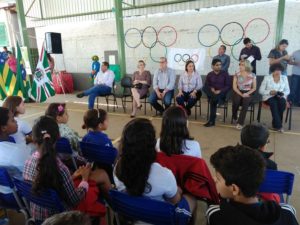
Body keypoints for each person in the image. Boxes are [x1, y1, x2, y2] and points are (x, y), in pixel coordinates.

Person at [23, 116, 111, 222]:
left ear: (34, 138)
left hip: (38, 217)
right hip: (61, 219)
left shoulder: (28, 162)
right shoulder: (61, 168)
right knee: (95, 197)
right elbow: (74, 200)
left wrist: (72, 176)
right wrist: (84, 180)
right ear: (58, 136)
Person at [114, 118, 196, 224]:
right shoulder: (163, 174)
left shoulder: (118, 168)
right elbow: (175, 201)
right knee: (192, 198)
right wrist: (178, 190)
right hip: (158, 220)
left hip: (131, 217)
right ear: (152, 145)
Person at [206, 145, 299, 225]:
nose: (214, 179)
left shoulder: (216, 215)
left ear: (234, 189)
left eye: (218, 179)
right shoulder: (287, 213)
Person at [259, 63, 290, 133]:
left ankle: (275, 124)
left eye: (279, 70)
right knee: (273, 103)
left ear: (281, 70)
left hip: (280, 96)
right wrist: (270, 92)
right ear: (272, 70)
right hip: (269, 97)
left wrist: (282, 94)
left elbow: (288, 90)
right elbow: (261, 90)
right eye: (276, 70)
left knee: (282, 103)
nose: (278, 72)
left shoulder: (284, 78)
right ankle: (279, 126)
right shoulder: (267, 77)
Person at [0, 107, 30, 174]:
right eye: (13, 120)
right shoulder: (16, 150)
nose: (16, 121)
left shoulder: (10, 139)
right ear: (4, 128)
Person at [203, 59, 231, 127]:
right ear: (212, 66)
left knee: (213, 100)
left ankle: (211, 121)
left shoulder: (225, 74)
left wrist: (220, 91)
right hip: (212, 93)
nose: (219, 66)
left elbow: (228, 86)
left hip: (221, 94)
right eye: (217, 65)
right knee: (204, 87)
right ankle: (212, 121)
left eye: (220, 65)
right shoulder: (210, 74)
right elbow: (207, 85)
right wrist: (211, 88)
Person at [232, 60, 257, 130]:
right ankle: (234, 116)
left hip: (249, 91)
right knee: (236, 101)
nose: (240, 66)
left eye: (242, 65)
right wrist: (241, 94)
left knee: (245, 102)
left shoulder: (252, 75)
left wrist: (247, 93)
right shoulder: (237, 74)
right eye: (240, 64)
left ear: (247, 66)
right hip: (239, 91)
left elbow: (254, 88)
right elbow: (234, 87)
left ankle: (240, 123)